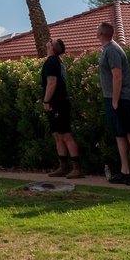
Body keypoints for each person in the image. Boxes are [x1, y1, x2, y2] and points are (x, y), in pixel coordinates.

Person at [96, 20, 130, 185]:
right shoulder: (107, 49)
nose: (95, 31)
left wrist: (116, 101)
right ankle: (125, 171)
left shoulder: (112, 50)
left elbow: (117, 76)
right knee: (119, 134)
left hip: (121, 98)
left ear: (101, 33)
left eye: (97, 29)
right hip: (112, 98)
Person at [41, 38, 83, 178]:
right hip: (56, 104)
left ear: (52, 48)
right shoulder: (56, 61)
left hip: (58, 104)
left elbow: (51, 82)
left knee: (66, 135)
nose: (48, 41)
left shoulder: (51, 62)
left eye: (50, 41)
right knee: (57, 135)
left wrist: (46, 100)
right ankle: (63, 166)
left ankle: (77, 168)